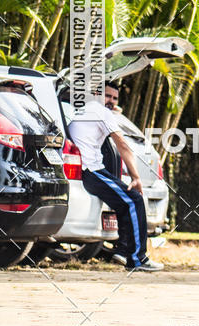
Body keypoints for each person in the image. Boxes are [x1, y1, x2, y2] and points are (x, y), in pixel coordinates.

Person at [67, 84, 163, 272]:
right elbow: (123, 145)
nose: (111, 101)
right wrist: (136, 177)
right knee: (134, 199)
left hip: (86, 171)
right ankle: (137, 259)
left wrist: (110, 109)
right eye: (107, 96)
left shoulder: (82, 110)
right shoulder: (102, 113)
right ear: (96, 94)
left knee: (124, 202)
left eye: (115, 98)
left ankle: (123, 251)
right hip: (92, 171)